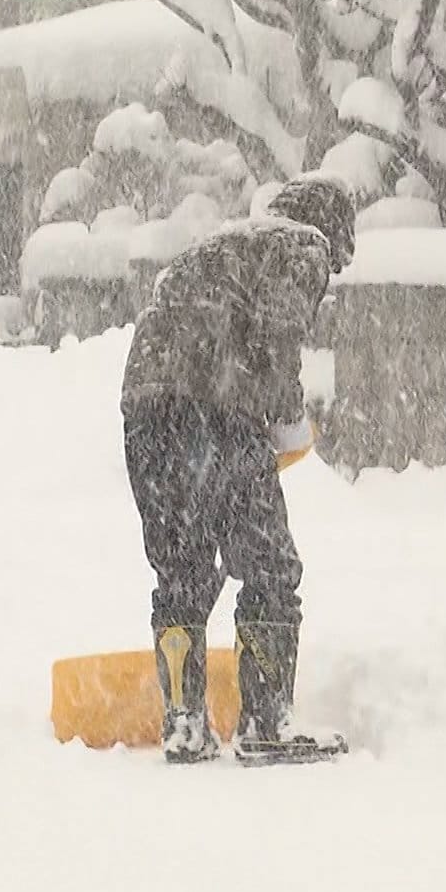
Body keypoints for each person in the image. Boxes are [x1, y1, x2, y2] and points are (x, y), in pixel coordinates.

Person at [120, 175, 356, 765]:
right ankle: (266, 721)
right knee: (270, 567)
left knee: (183, 570)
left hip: (146, 407)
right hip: (217, 402)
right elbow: (278, 337)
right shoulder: (301, 243)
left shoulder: (216, 246)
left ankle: (185, 725)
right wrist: (287, 423)